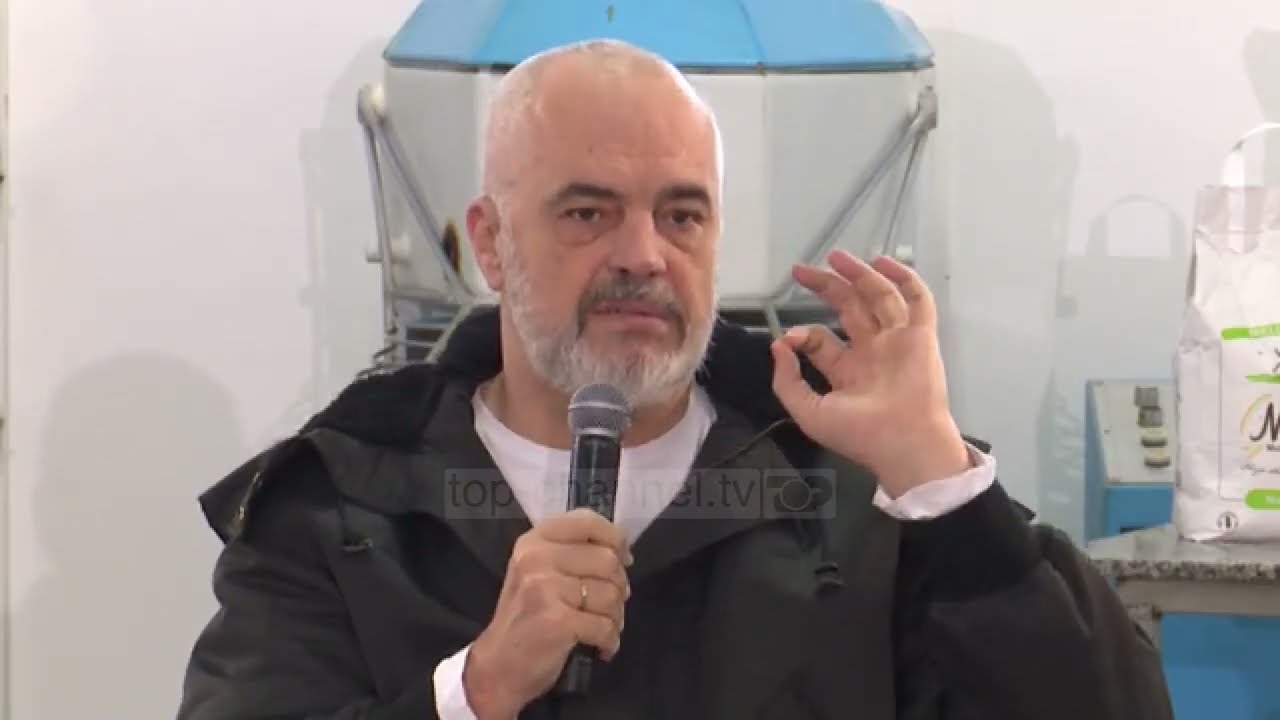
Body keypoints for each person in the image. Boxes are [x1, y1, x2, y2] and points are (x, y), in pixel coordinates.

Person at [177, 39, 1173, 720]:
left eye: (682, 215)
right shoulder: (338, 504)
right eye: (587, 213)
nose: (643, 255)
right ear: (488, 241)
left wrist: (940, 481)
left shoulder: (850, 492)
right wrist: (473, 692)